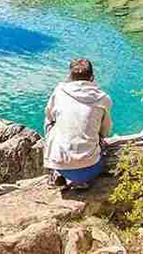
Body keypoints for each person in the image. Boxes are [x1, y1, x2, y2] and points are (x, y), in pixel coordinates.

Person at [44, 59, 112, 190]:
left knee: (50, 122)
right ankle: (82, 181)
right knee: (100, 135)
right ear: (92, 77)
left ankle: (56, 173)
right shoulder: (104, 98)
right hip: (91, 168)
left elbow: (49, 115)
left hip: (61, 165)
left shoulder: (59, 91)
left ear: (69, 77)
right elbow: (105, 131)